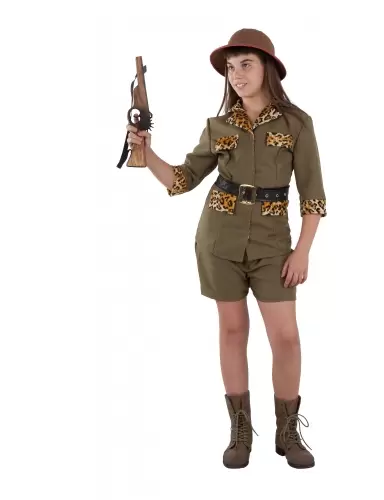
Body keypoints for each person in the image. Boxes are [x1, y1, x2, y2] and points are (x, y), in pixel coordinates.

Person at [126, 28, 327, 469]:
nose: (237, 74)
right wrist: (147, 152)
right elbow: (182, 180)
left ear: (268, 68)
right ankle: (240, 431)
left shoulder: (297, 124)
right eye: (231, 67)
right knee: (233, 331)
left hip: (273, 244)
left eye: (246, 64)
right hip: (219, 239)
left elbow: (313, 196)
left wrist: (303, 251)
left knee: (286, 337)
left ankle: (288, 431)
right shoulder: (218, 127)